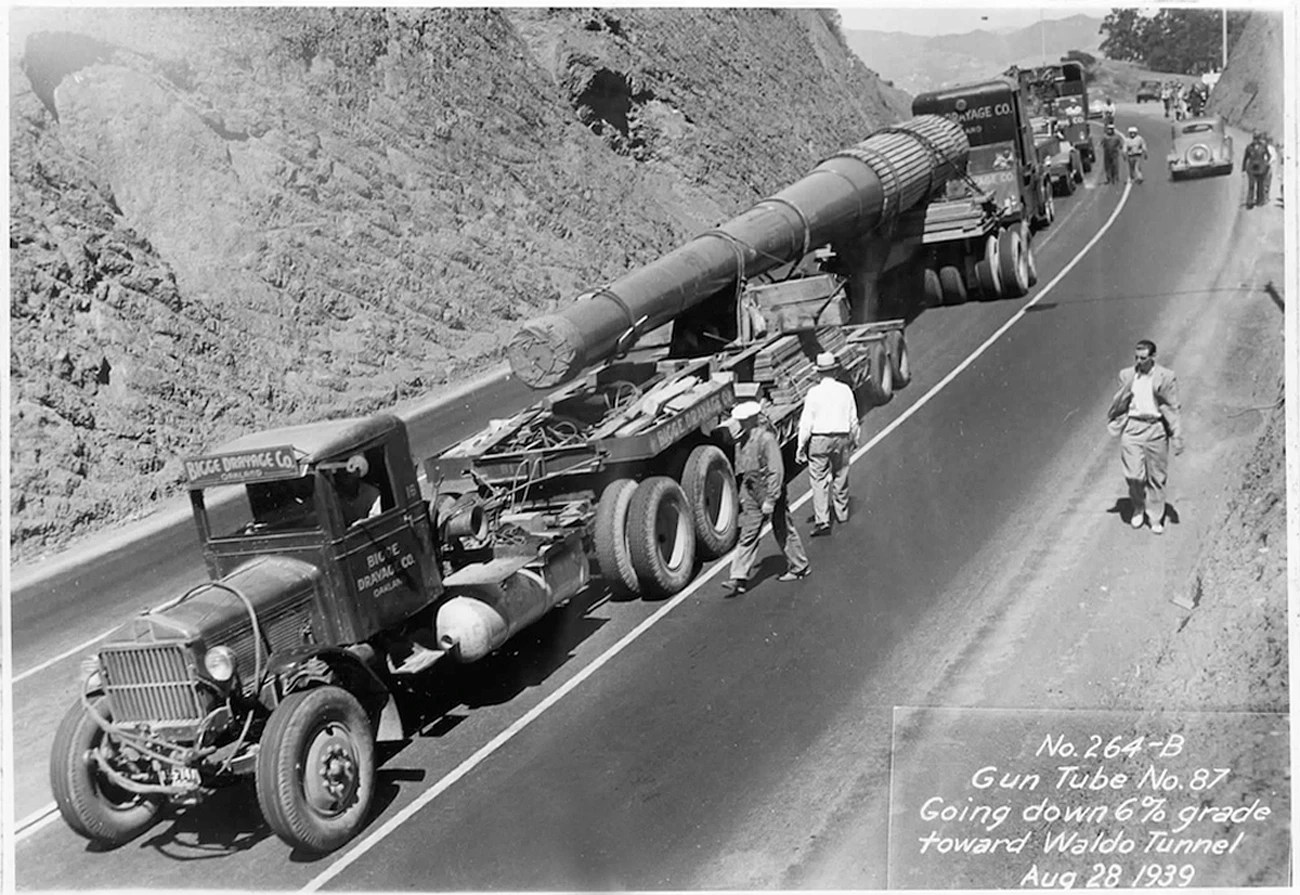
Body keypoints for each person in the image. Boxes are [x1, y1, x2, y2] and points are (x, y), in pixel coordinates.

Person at [723, 401, 810, 594]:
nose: (741, 424)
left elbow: (775, 470)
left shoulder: (766, 439)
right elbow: (746, 471)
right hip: (753, 492)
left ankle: (800, 566)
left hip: (770, 490)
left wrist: (771, 498)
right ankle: (738, 578)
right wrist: (744, 495)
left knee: (782, 528)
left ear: (751, 420)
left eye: (743, 420)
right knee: (748, 533)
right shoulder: (744, 440)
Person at [1106, 340, 1183, 534]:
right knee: (1133, 475)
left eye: (1143, 358)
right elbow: (1121, 400)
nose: (1139, 362)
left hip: (1155, 429)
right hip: (1133, 428)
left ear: (1153, 357)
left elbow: (1172, 406)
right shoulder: (1127, 375)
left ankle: (1155, 516)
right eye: (1136, 358)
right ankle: (1138, 507)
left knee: (1156, 477)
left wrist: (1176, 435)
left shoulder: (1166, 377)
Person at [796, 352, 860, 536]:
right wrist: (855, 439)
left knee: (819, 480)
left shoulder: (813, 393)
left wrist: (801, 447)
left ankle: (822, 520)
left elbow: (806, 422)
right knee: (841, 475)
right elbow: (853, 419)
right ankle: (842, 513)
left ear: (819, 373)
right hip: (841, 437)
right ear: (834, 371)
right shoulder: (845, 390)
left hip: (820, 440)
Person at [1243, 131, 1272, 208]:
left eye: (1257, 138)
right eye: (1254, 138)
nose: (1255, 140)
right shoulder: (1249, 147)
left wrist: (1266, 163)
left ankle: (1260, 200)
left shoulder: (1263, 146)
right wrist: (1243, 169)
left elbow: (1269, 156)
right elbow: (1245, 158)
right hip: (1251, 168)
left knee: (1260, 185)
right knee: (1251, 186)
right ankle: (1250, 201)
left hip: (1261, 169)